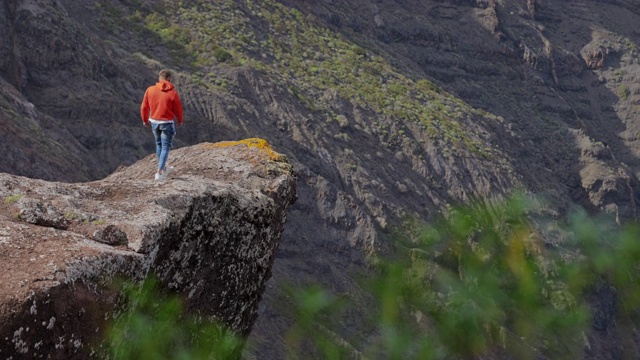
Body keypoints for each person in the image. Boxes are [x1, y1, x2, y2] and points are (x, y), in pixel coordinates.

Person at [140, 69, 184, 181]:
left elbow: (144, 107)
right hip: (167, 123)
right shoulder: (173, 93)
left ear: (159, 78)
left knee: (159, 145)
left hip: (154, 121)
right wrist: (180, 119)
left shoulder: (150, 90)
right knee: (165, 147)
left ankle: (163, 168)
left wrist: (145, 120)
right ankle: (159, 172)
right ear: (169, 79)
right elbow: (178, 109)